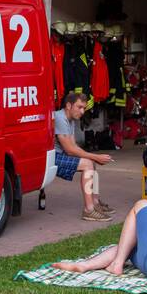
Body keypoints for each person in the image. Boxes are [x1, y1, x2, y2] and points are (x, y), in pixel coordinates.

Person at [54, 92, 115, 221]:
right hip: (52, 157)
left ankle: (95, 202)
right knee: (89, 163)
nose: (82, 111)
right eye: (79, 107)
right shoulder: (59, 118)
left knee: (90, 162)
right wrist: (95, 157)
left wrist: (93, 157)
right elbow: (70, 150)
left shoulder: (70, 119)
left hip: (60, 154)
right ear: (69, 105)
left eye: (84, 108)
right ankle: (89, 210)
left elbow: (74, 146)